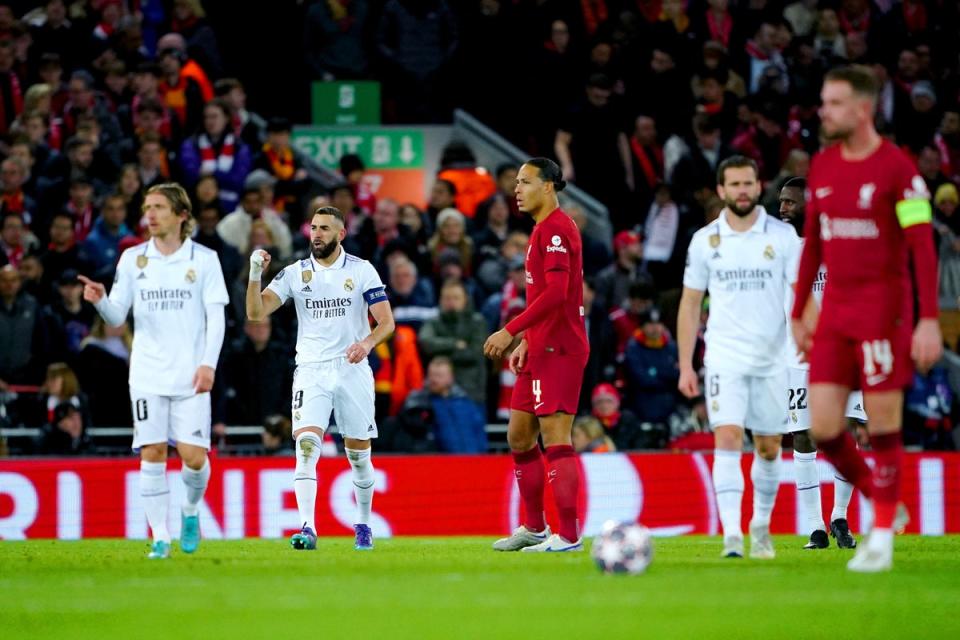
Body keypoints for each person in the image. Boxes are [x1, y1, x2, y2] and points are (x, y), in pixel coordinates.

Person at [791, 66, 942, 572]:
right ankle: (884, 499)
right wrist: (799, 312)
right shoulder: (823, 167)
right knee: (825, 427)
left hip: (884, 316)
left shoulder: (899, 171)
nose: (823, 111)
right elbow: (813, 242)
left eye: (833, 103)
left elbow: (923, 248)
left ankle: (880, 533)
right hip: (834, 317)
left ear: (862, 109)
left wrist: (928, 320)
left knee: (881, 426)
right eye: (823, 102)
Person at [79, 183, 229, 560]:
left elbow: (217, 318)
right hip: (146, 373)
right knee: (153, 451)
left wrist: (208, 364)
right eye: (148, 207)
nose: (151, 214)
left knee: (194, 457)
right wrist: (101, 302)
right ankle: (160, 536)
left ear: (182, 215)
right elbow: (117, 315)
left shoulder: (204, 259)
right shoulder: (132, 260)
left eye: (159, 207)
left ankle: (191, 510)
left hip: (191, 375)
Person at [246, 205, 395, 552]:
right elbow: (255, 312)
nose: (317, 234)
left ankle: (363, 524)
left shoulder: (362, 271)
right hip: (311, 370)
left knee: (358, 455)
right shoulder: (295, 273)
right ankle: (308, 528)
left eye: (325, 228)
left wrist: (366, 343)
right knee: (306, 446)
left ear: (341, 234)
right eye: (313, 227)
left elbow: (386, 322)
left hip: (352, 369)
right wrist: (255, 273)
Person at [677, 155, 801, 560]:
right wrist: (684, 364)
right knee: (727, 436)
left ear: (758, 185)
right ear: (721, 190)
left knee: (768, 447)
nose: (742, 190)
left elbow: (801, 301)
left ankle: (760, 524)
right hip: (723, 358)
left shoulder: (783, 237)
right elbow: (690, 304)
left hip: (774, 359)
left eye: (748, 183)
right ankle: (731, 533)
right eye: (734, 184)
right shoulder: (704, 241)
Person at [483, 158, 588, 552]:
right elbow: (545, 297)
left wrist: (510, 330)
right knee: (519, 435)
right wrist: (527, 340)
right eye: (516, 183)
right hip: (540, 346)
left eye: (525, 182)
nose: (517, 189)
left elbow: (558, 296)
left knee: (556, 438)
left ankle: (569, 535)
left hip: (560, 348)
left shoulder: (557, 230)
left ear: (548, 187)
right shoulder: (542, 230)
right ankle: (534, 526)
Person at [779, 176, 865, 550]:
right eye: (781, 201)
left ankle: (840, 517)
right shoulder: (778, 248)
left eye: (790, 202)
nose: (782, 208)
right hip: (797, 356)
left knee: (850, 432)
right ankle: (815, 527)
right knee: (805, 435)